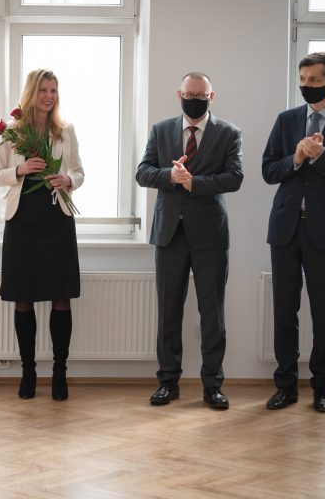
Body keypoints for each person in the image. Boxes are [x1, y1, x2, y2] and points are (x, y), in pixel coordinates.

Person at [262, 52, 325, 413]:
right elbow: (269, 171)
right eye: (303, 80)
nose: (307, 86)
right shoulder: (287, 119)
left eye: (314, 81)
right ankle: (285, 386)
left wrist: (320, 155)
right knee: (284, 311)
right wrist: (297, 157)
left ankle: (323, 388)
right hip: (285, 229)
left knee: (323, 312)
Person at [135, 72, 243, 409]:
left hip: (210, 235)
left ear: (211, 97)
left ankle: (213, 386)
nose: (194, 99)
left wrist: (193, 183)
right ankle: (168, 382)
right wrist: (170, 175)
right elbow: (143, 172)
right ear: (179, 94)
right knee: (168, 313)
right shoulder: (161, 130)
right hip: (169, 233)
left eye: (200, 95)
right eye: (189, 94)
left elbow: (234, 177)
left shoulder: (229, 133)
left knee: (212, 315)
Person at [0, 69, 84, 401]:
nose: (49, 96)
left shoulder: (65, 130)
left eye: (53, 90)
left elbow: (79, 172)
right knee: (23, 296)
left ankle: (60, 373)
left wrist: (68, 180)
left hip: (57, 219)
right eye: (43, 90)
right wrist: (20, 169)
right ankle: (28, 372)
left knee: (61, 295)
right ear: (32, 93)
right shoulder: (11, 131)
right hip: (22, 221)